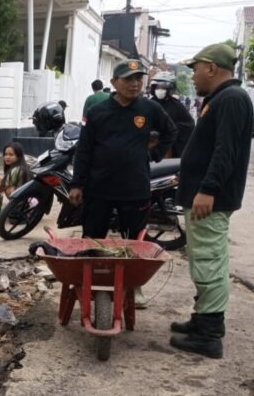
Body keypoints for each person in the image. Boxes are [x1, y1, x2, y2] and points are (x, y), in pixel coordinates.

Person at [170, 43, 253, 359]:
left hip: (211, 199)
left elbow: (225, 150)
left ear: (210, 68)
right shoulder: (223, 98)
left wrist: (207, 189)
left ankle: (208, 335)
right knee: (203, 259)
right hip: (204, 193)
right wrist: (190, 178)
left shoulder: (231, 99)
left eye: (194, 69)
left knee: (209, 263)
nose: (192, 75)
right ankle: (201, 319)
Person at [69, 59, 177, 241]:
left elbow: (170, 131)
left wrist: (154, 154)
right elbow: (84, 149)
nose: (135, 84)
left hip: (134, 189)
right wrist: (76, 184)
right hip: (99, 188)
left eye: (138, 79)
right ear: (114, 82)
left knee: (134, 242)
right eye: (128, 79)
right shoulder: (97, 112)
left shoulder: (150, 108)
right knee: (92, 241)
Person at [149, 72, 195, 157]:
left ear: (169, 89)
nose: (160, 90)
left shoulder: (177, 106)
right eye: (158, 87)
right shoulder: (149, 104)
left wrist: (169, 128)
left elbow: (189, 125)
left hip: (169, 148)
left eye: (163, 88)